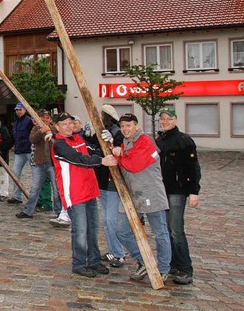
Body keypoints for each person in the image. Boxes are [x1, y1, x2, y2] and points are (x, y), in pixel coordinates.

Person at [51, 111, 117, 278]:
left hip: (89, 190)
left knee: (93, 229)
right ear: (57, 127)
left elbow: (94, 149)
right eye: (64, 124)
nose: (68, 126)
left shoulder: (78, 139)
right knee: (80, 230)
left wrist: (109, 143)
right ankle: (79, 263)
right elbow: (76, 158)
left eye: (70, 123)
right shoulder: (59, 144)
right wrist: (101, 161)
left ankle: (94, 260)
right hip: (74, 193)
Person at [111, 113, 172, 282]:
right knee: (121, 230)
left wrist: (118, 155)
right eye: (122, 126)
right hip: (131, 194)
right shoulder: (125, 142)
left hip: (150, 193)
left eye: (128, 125)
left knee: (160, 233)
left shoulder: (145, 141)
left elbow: (134, 165)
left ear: (136, 126)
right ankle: (144, 261)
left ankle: (164, 269)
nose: (125, 129)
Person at [156, 108, 201, 285]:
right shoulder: (159, 141)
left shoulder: (184, 140)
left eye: (169, 118)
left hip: (177, 191)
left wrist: (194, 191)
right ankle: (173, 263)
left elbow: (193, 167)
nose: (165, 121)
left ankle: (185, 268)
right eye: (163, 119)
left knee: (176, 230)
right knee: (166, 230)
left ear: (175, 120)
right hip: (162, 191)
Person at [84, 104, 126, 267]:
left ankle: (119, 253)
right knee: (107, 220)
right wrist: (87, 135)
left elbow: (121, 148)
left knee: (111, 220)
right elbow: (93, 146)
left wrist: (114, 140)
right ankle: (113, 250)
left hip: (112, 182)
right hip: (102, 181)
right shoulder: (102, 131)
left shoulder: (117, 132)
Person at [16, 110, 62, 221]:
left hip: (52, 163)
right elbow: (32, 139)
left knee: (56, 189)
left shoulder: (56, 129)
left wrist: (50, 131)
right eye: (42, 117)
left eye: (47, 117)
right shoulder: (36, 128)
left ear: (50, 119)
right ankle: (28, 211)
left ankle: (59, 212)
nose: (44, 119)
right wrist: (41, 131)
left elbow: (59, 142)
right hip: (39, 163)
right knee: (35, 188)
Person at [6, 103, 34, 205]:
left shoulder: (29, 122)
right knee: (15, 173)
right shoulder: (16, 123)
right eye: (17, 110)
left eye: (20, 110)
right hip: (19, 151)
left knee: (36, 175)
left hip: (30, 151)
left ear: (25, 110)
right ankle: (17, 196)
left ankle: (36, 198)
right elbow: (13, 139)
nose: (18, 112)